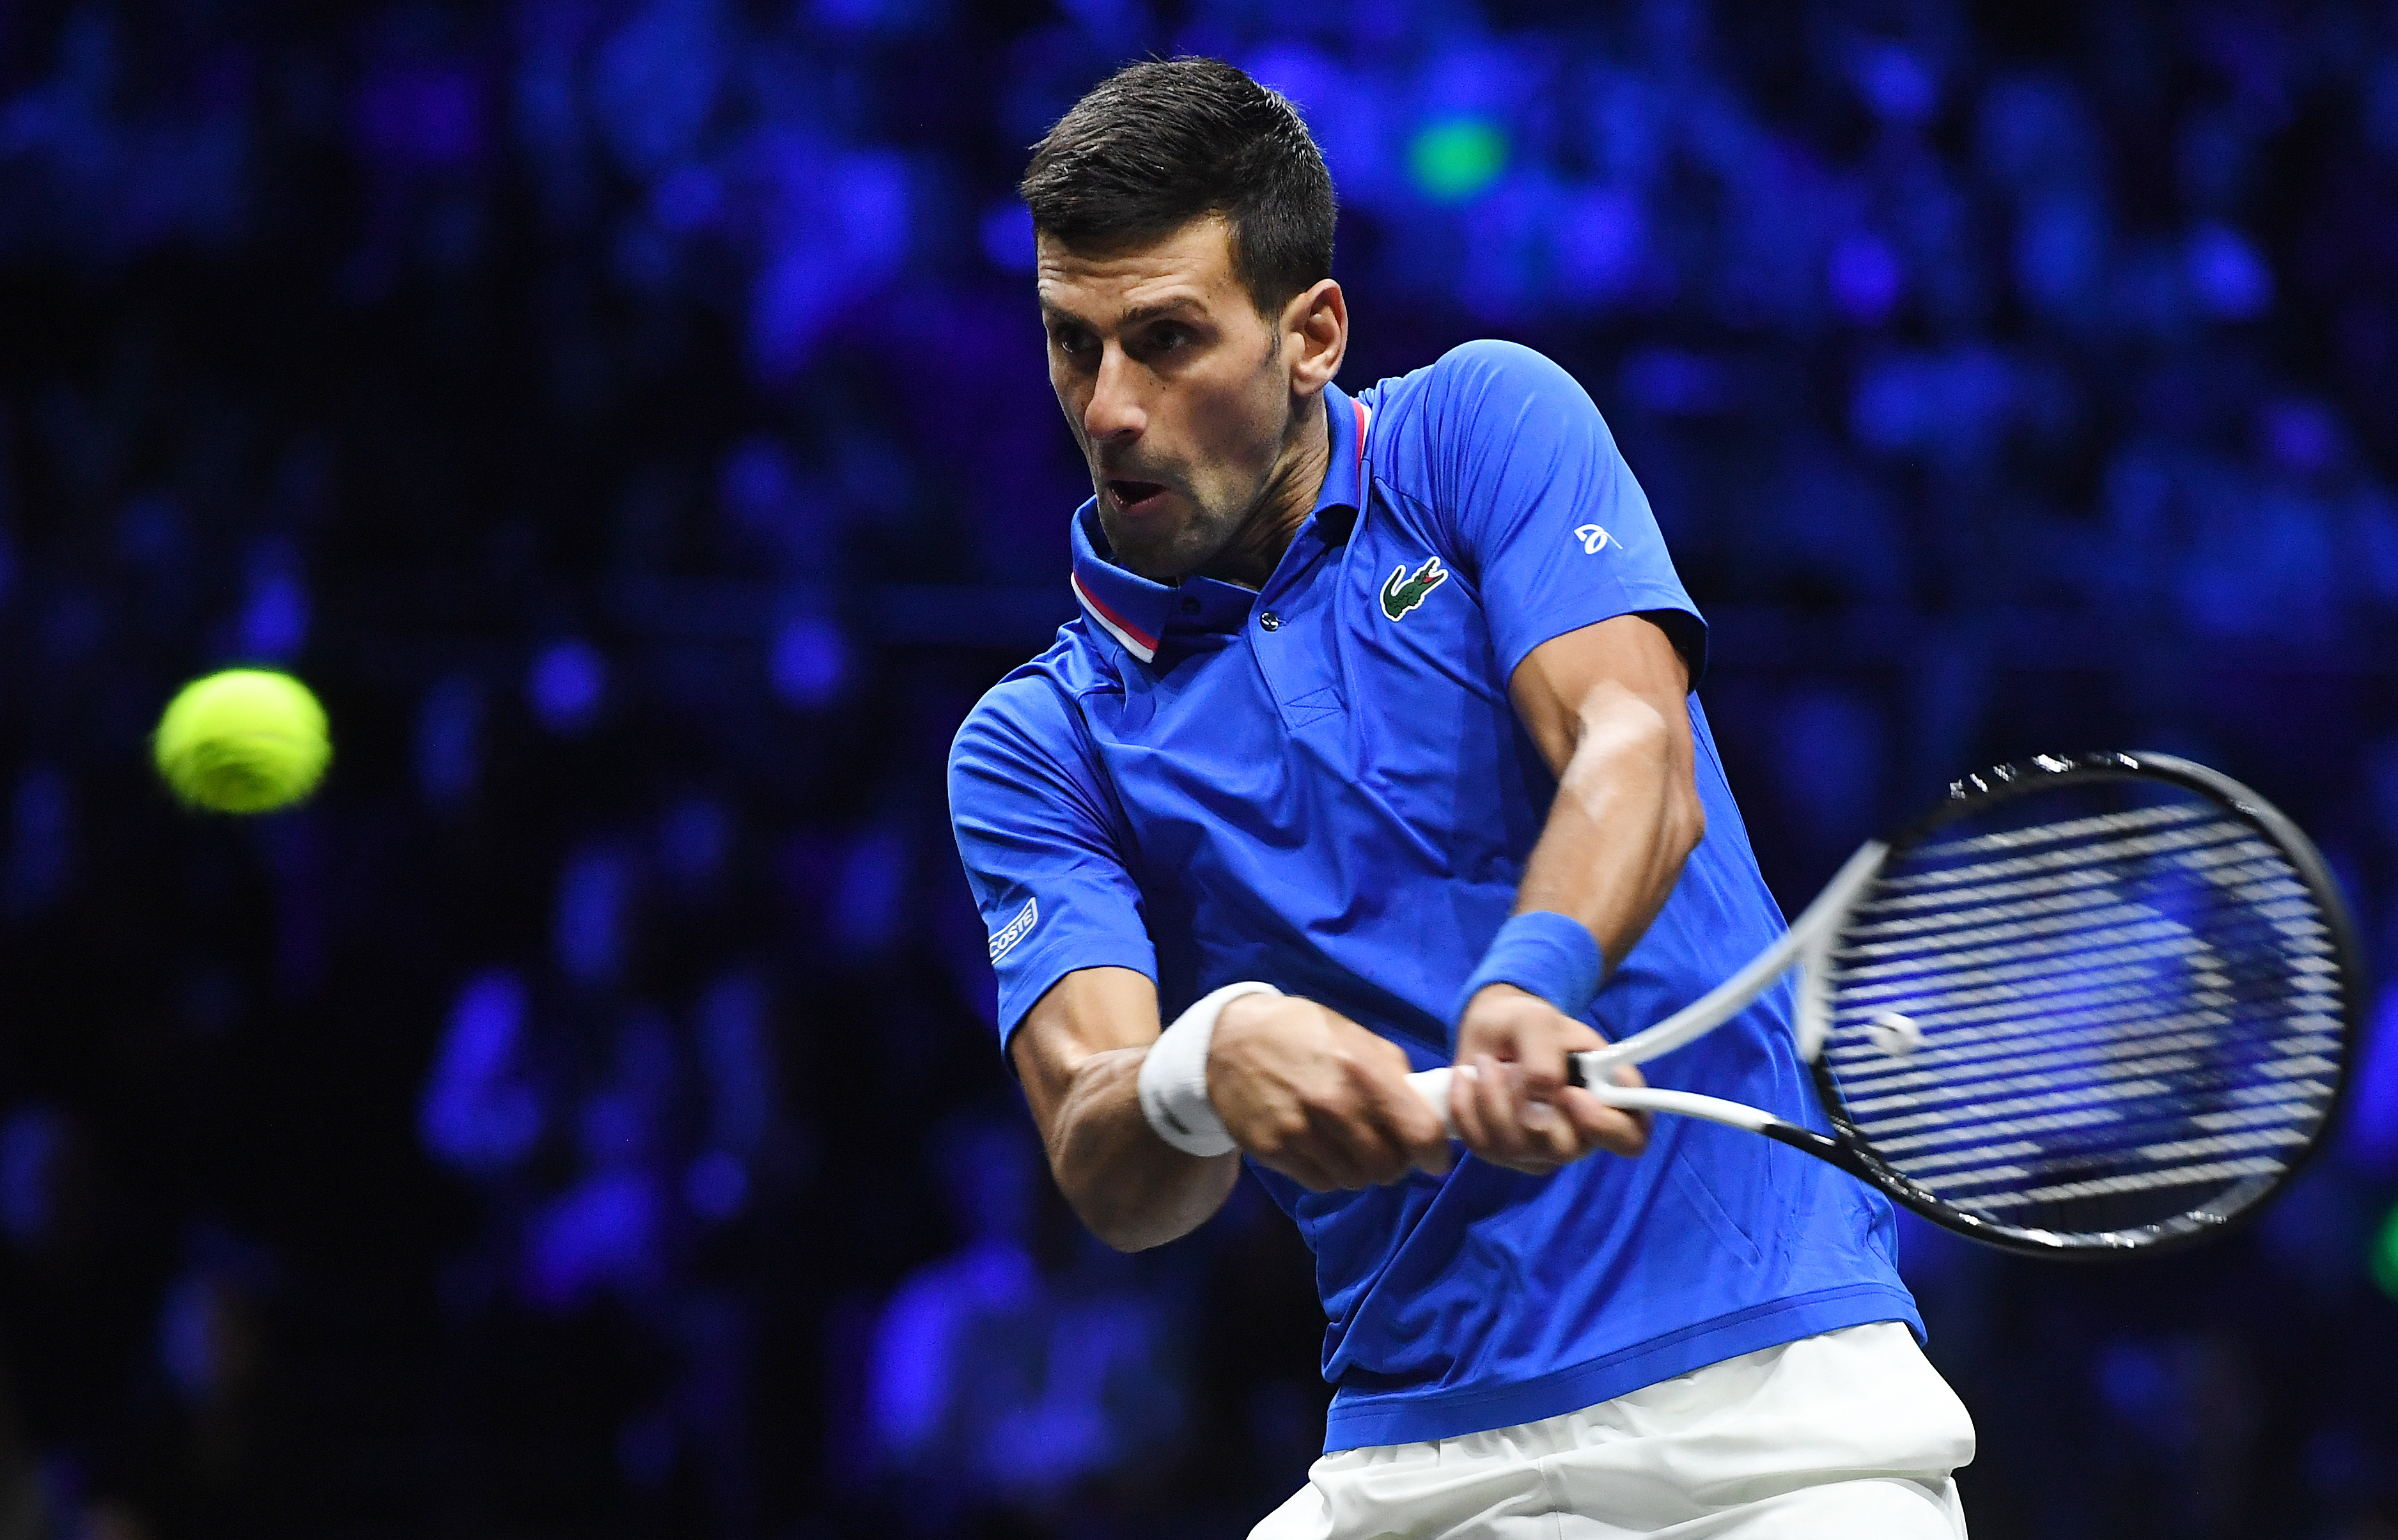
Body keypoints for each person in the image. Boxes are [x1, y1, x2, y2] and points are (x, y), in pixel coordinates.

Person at [947, 56, 1974, 1539]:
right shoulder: (1037, 741)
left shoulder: (1479, 426)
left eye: (1166, 340)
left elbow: (1635, 745)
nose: (1109, 408)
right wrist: (1205, 1058)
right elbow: (1114, 1165)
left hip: (1780, 1422)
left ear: (1313, 335)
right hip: (1413, 1464)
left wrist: (1533, 973)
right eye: (1070, 342)